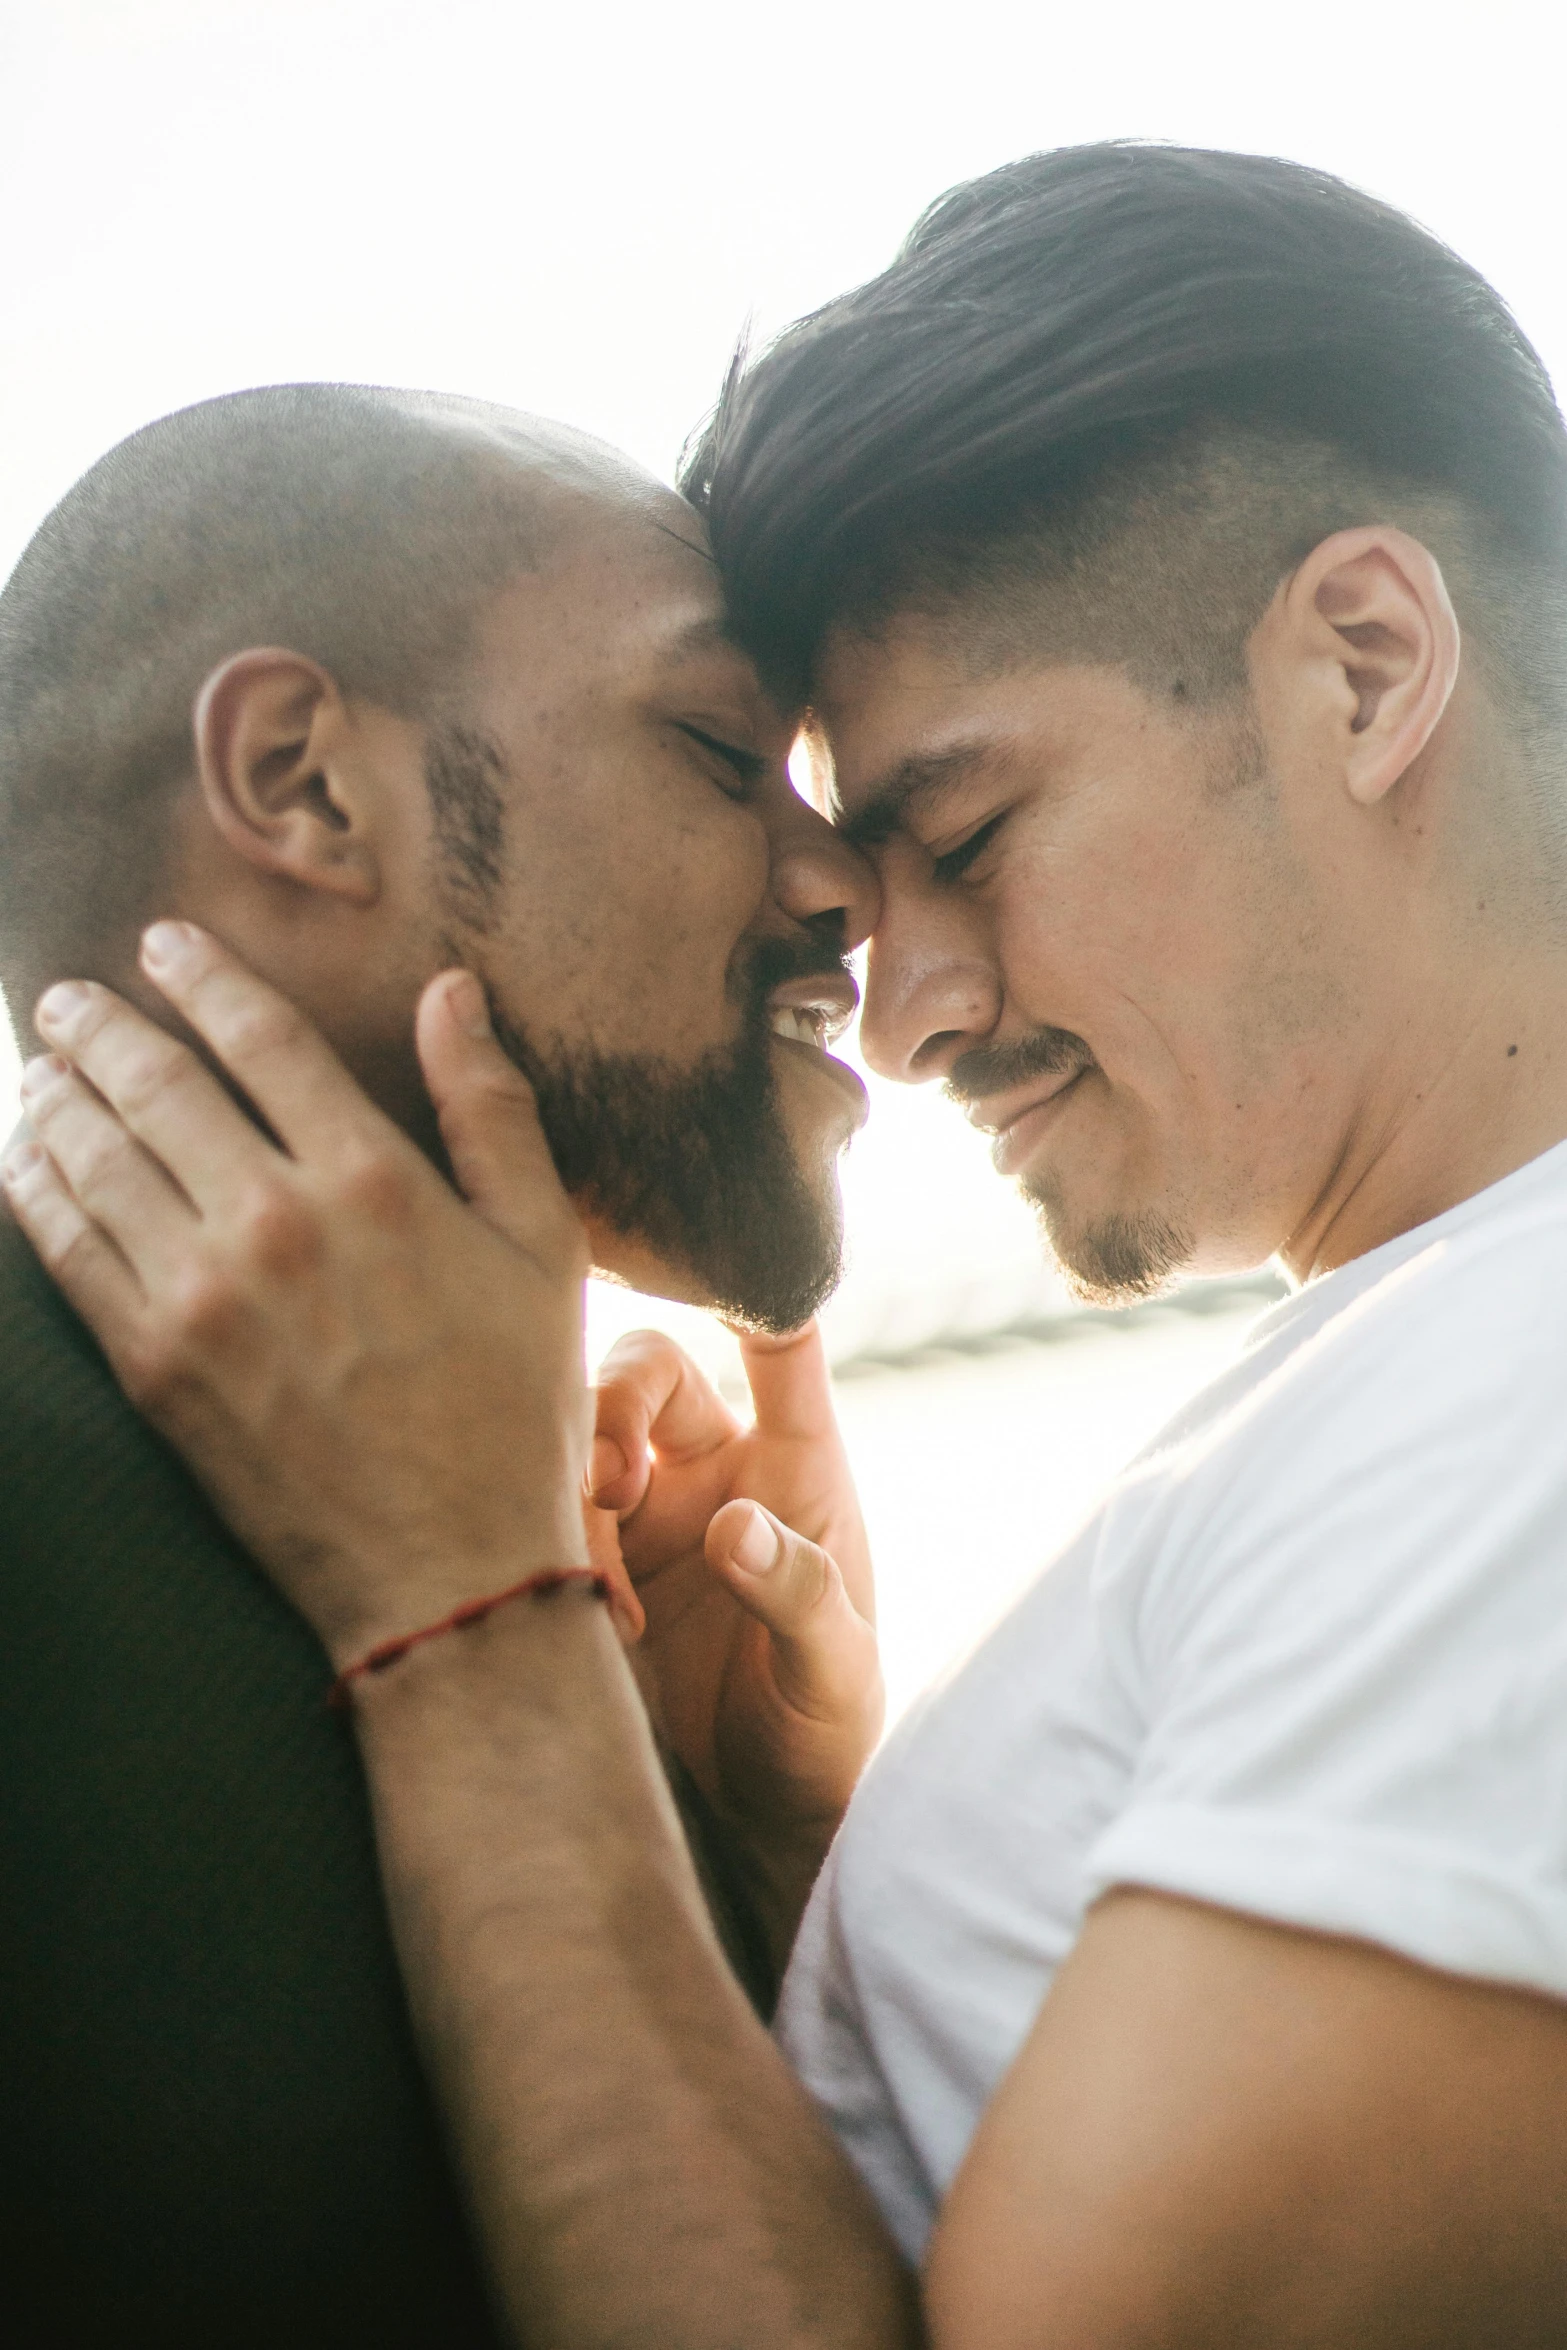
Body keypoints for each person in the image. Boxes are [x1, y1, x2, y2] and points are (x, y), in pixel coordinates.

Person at [14, 138, 1567, 2346]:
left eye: (964, 825)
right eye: (733, 766)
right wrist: (811, 1882)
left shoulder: (1522, 1407)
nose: (901, 992)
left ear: (1361, 660)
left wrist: (477, 1626)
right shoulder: (1428, 1375)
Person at [0, 384, 885, 2345]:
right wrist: (475, 1623)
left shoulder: (596, 1598)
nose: (848, 885)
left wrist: (778, 1884)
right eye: (724, 748)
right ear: (306, 782)